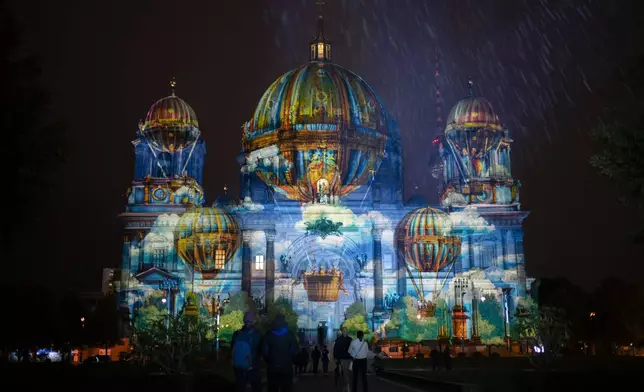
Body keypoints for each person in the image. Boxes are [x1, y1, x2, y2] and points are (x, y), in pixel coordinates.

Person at [263, 313, 299, 392]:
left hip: (272, 366)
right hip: (286, 367)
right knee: (286, 388)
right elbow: (295, 350)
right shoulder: (290, 335)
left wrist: (269, 360)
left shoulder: (268, 335)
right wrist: (290, 359)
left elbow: (265, 352)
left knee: (272, 388)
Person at [232, 312, 263, 392]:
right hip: (253, 366)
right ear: (253, 321)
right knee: (256, 388)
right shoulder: (257, 334)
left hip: (239, 366)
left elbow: (232, 348)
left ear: (244, 320)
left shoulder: (236, 334)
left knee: (240, 387)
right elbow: (261, 350)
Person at [333, 326, 353, 392]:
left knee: (346, 372)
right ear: (342, 331)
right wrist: (335, 357)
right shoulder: (338, 339)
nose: (345, 332)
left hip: (348, 358)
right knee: (345, 372)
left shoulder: (350, 339)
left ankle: (346, 386)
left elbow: (353, 349)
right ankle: (347, 386)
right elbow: (335, 349)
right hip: (342, 358)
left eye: (346, 330)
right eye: (344, 331)